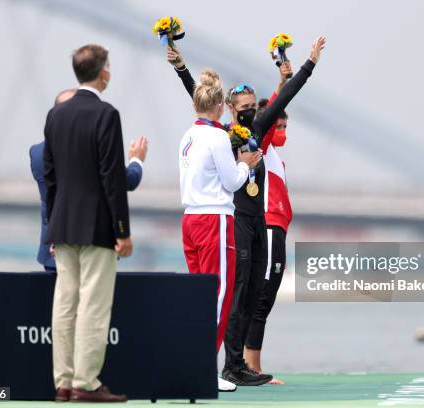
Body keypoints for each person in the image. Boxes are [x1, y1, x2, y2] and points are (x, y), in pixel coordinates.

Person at [166, 36, 326, 386]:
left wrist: (308, 66)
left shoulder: (258, 128)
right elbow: (198, 94)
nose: (252, 109)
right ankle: (227, 363)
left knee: (254, 290)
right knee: (234, 294)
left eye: (255, 104)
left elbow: (285, 96)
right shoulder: (222, 134)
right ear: (230, 107)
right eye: (245, 105)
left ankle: (237, 364)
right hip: (234, 220)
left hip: (258, 221)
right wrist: (181, 69)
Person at [45, 44, 132, 403]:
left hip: (63, 225)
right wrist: (122, 231)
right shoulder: (106, 114)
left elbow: (50, 177)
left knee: (64, 306)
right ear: (103, 72)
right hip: (96, 225)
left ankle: (63, 382)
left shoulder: (56, 116)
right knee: (93, 306)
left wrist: (52, 224)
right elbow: (112, 177)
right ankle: (86, 382)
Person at [178, 69, 262, 392]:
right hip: (214, 219)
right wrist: (246, 164)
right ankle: (203, 368)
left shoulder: (187, 135)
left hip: (190, 220)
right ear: (219, 106)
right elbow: (233, 182)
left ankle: (196, 363)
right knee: (220, 296)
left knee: (200, 295)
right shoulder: (216, 138)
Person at [30, 89, 148, 272]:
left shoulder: (37, 152)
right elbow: (128, 181)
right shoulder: (91, 149)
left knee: (61, 300)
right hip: (92, 245)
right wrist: (136, 160)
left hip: (54, 249)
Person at [245, 92, 292, 385]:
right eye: (279, 126)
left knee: (266, 298)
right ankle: (253, 367)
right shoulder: (260, 146)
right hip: (270, 228)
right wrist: (284, 82)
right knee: (261, 299)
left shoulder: (276, 157)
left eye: (286, 128)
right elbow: (269, 113)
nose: (283, 132)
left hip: (279, 229)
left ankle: (253, 365)